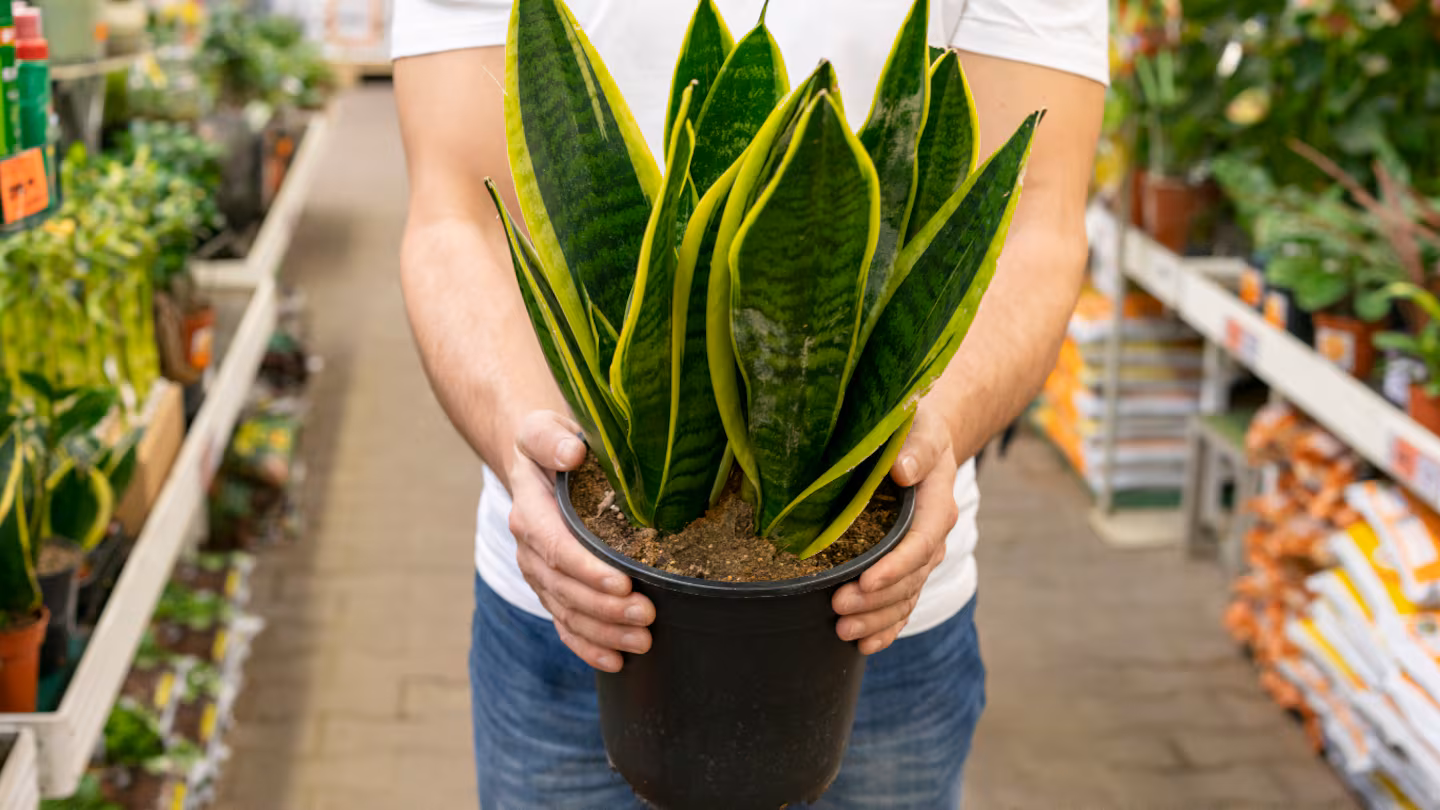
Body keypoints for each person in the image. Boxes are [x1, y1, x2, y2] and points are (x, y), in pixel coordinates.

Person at [392, 1, 1105, 806]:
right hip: (568, 596)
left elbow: (1035, 212)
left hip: (880, 616)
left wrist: (930, 430)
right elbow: (453, 215)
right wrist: (524, 445)